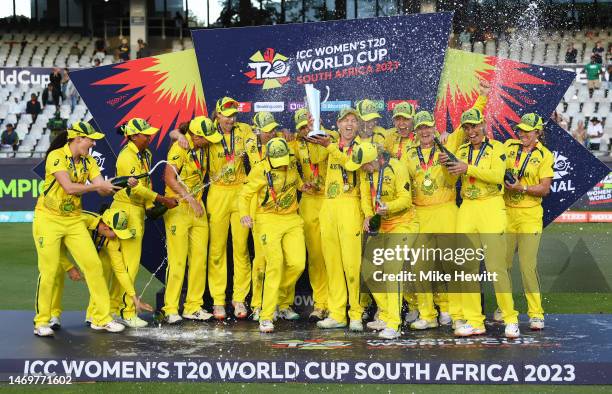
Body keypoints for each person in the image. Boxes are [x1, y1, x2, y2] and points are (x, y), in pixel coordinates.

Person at [32, 121, 124, 336]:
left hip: (73, 220)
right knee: (49, 271)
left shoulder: (89, 160)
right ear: (78, 138)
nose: (93, 143)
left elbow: (101, 188)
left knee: (93, 265)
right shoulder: (56, 156)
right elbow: (69, 187)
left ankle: (101, 318)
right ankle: (41, 322)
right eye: (90, 139)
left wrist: (113, 186)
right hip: (48, 219)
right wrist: (98, 185)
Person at [439, 107, 519, 339]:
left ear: (482, 124)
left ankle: (510, 318)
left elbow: (497, 175)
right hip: (468, 208)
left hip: (491, 205)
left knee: (496, 268)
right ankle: (475, 320)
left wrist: (468, 168)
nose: (470, 131)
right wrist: (446, 164)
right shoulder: (461, 150)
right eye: (466, 127)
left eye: (474, 126)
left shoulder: (498, 147)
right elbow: (448, 180)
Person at [109, 118, 178, 328]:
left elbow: (145, 183)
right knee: (129, 265)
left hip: (137, 211)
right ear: (133, 136)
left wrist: (150, 207)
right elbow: (136, 188)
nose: (150, 137)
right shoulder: (126, 157)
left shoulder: (145, 154)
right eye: (145, 134)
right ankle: (126, 311)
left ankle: (113, 309)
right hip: (126, 210)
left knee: (126, 265)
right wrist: (161, 199)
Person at [239, 138, 310, 333]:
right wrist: (245, 214)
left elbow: (296, 181)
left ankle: (276, 295)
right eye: (278, 162)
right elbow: (245, 194)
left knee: (298, 264)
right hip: (267, 219)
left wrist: (304, 186)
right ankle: (266, 315)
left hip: (292, 219)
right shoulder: (260, 169)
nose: (283, 165)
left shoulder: (292, 162)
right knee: (275, 264)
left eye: (284, 160)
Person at [306, 108, 364, 332]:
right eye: (344, 121)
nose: (349, 125)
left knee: (352, 264)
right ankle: (337, 313)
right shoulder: (327, 145)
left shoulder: (362, 147)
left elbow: (350, 165)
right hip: (328, 205)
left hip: (350, 204)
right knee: (332, 263)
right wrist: (313, 130)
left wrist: (329, 144)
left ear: (358, 126)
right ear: (338, 125)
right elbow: (314, 157)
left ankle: (356, 313)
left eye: (353, 121)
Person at [162, 116, 221, 324]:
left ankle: (193, 306)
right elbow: (168, 178)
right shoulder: (180, 148)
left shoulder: (200, 146)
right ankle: (170, 308)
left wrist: (196, 202)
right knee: (178, 261)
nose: (210, 141)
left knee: (199, 260)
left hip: (197, 207)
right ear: (196, 136)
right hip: (178, 206)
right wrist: (190, 199)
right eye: (206, 138)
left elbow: (175, 131)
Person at [357, 142, 419, 339]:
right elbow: (365, 197)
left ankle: (394, 324)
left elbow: (406, 199)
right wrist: (368, 215)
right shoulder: (365, 170)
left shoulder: (397, 167)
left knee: (392, 270)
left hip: (403, 223)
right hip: (380, 225)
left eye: (366, 165)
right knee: (368, 269)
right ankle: (384, 313)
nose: (363, 169)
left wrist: (388, 207)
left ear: (377, 159)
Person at [500, 113, 553, 331]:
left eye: (527, 131)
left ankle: (536, 314)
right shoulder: (508, 145)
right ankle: (505, 309)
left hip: (530, 216)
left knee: (527, 266)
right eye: (520, 130)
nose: (522, 134)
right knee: (503, 266)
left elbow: (545, 189)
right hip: (505, 213)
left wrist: (521, 187)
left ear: (538, 133)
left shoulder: (545, 155)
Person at [245, 111, 300, 321]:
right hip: (259, 205)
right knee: (262, 260)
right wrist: (178, 133)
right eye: (266, 130)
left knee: (290, 262)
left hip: (285, 208)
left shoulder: (282, 144)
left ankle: (282, 302)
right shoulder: (246, 140)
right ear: (257, 130)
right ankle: (258, 305)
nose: (270, 133)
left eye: (273, 129)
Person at [206, 97, 255, 320]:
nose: (231, 119)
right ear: (217, 114)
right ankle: (218, 300)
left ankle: (239, 298)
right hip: (217, 192)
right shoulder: (207, 131)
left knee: (241, 248)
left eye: (234, 114)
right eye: (226, 115)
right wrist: (178, 136)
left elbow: (261, 141)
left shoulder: (244, 130)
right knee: (216, 249)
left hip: (241, 192)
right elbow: (180, 134)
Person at [291, 108, 336, 322]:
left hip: (330, 199)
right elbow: (285, 169)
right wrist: (301, 185)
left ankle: (337, 304)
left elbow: (326, 155)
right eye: (301, 128)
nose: (305, 130)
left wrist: (317, 132)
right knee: (316, 257)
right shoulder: (294, 145)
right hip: (309, 201)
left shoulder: (329, 138)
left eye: (308, 126)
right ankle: (320, 303)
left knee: (334, 255)